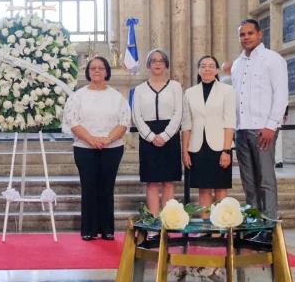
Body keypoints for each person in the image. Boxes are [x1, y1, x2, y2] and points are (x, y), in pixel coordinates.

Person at [231, 19, 288, 241]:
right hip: (241, 129)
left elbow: (281, 94)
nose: (246, 37)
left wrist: (271, 125)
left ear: (260, 34)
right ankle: (254, 224)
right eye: (242, 34)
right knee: (248, 181)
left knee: (265, 179)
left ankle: (270, 228)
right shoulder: (237, 64)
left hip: (262, 129)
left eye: (250, 33)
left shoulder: (272, 59)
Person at [62, 56, 131, 241]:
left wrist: (107, 139)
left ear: (107, 71)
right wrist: (92, 139)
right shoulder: (78, 96)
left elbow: (124, 122)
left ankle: (107, 229)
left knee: (107, 188)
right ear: (88, 72)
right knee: (89, 187)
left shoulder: (116, 96)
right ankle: (89, 229)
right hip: (85, 148)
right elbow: (73, 122)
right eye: (93, 68)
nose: (97, 71)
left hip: (112, 147)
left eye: (101, 68)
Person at [131, 49, 183, 217]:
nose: (158, 63)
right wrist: (152, 137)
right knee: (152, 183)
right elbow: (136, 116)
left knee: (168, 183)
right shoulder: (139, 89)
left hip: (170, 136)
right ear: (148, 65)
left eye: (161, 60)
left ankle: (168, 222)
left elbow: (178, 113)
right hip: (148, 138)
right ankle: (154, 223)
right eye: (154, 60)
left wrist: (166, 135)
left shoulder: (175, 87)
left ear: (166, 64)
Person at [181, 56, 236, 211]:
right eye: (203, 66)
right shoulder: (190, 93)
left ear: (217, 70)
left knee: (220, 188)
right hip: (197, 147)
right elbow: (186, 123)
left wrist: (226, 150)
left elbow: (229, 122)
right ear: (199, 70)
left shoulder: (227, 90)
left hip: (220, 146)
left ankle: (219, 230)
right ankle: (206, 228)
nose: (207, 69)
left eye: (211, 66)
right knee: (203, 189)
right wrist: (185, 151)